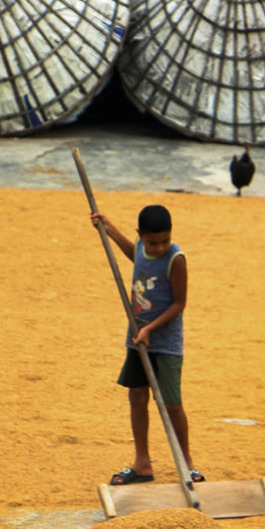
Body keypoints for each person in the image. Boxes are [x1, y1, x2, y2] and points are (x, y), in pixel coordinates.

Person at [91, 204, 205, 486]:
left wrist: (150, 329)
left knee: (171, 403)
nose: (159, 247)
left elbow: (180, 303)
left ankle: (187, 464)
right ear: (141, 235)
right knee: (137, 398)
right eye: (152, 242)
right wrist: (110, 230)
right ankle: (142, 463)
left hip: (165, 345)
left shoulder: (175, 259)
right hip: (137, 340)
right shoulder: (142, 249)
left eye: (164, 240)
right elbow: (138, 258)